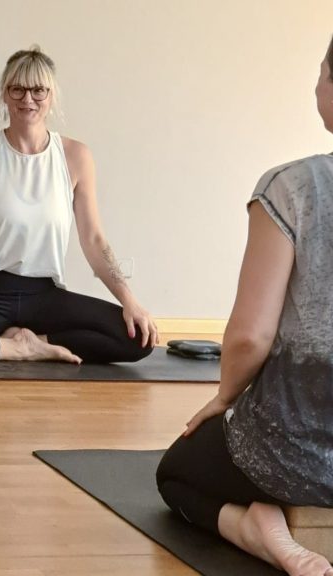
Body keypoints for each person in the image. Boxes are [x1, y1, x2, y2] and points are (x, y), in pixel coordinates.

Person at [156, 35, 333, 576]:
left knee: (177, 471)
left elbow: (249, 337)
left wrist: (223, 399)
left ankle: (258, 530)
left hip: (296, 454)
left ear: (329, 84)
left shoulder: (291, 187)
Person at [0, 46, 158, 364]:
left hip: (45, 296)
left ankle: (39, 343)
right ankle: (14, 347)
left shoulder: (76, 157)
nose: (28, 99)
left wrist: (129, 300)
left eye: (38, 90)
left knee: (138, 339)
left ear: (51, 96)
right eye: (18, 89)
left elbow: (94, 240)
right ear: (5, 95)